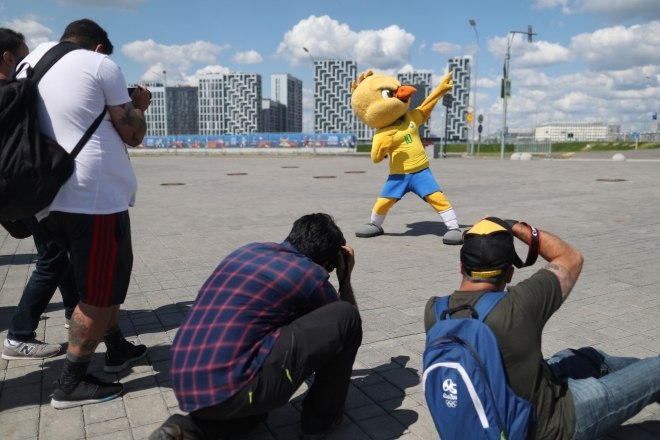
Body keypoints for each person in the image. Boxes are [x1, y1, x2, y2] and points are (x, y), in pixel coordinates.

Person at [16, 18, 152, 409]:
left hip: (42, 198)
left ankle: (117, 348)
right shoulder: (99, 65)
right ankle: (70, 383)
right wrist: (138, 106)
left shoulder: (32, 61)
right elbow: (134, 134)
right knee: (97, 293)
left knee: (98, 281)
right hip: (92, 200)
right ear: (97, 47)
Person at [424, 216, 660, 439]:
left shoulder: (435, 311)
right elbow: (570, 257)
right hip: (552, 427)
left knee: (584, 358)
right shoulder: (520, 305)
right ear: (509, 274)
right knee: (655, 370)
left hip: (500, 413)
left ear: (462, 267)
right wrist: (514, 226)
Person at [149, 213, 363, 440]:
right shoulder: (310, 274)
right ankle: (319, 421)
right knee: (346, 315)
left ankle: (186, 430)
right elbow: (345, 325)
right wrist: (344, 278)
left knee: (253, 417)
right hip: (238, 385)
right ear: (327, 262)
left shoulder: (249, 250)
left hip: (187, 381)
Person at [0, 28, 78, 360]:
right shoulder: (13, 91)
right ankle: (18, 335)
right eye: (24, 56)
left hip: (13, 188)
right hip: (25, 186)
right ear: (8, 58)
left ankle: (74, 312)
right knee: (53, 257)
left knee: (59, 251)